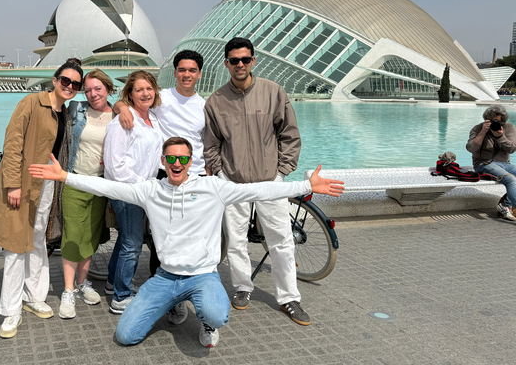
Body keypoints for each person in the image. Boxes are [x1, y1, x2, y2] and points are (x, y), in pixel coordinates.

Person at [29, 137, 343, 347]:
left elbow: (259, 190)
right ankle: (173, 302)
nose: (176, 163)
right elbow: (107, 186)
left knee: (217, 313)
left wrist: (304, 185)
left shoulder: (214, 188)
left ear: (189, 161)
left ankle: (207, 324)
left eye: (182, 158)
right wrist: (65, 177)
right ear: (164, 161)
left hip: (203, 275)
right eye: (171, 158)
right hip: (165, 277)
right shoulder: (150, 190)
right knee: (125, 336)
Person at [204, 37, 308, 325]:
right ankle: (242, 287)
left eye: (245, 59)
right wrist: (221, 173)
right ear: (226, 63)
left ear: (253, 60)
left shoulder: (273, 92)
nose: (240, 64)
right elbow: (211, 144)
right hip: (234, 182)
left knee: (282, 241)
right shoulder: (216, 100)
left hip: (269, 181)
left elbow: (290, 135)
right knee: (236, 240)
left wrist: (282, 172)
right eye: (234, 60)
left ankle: (289, 298)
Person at [0, 59, 83, 339]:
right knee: (15, 246)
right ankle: (10, 311)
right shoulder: (32, 103)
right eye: (65, 80)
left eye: (75, 84)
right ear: (55, 79)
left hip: (46, 186)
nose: (70, 86)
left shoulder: (65, 113)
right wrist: (12, 184)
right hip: (22, 185)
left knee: (37, 241)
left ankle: (34, 295)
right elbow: (12, 144)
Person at [115, 49, 206, 322]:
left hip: (197, 176)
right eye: (182, 70)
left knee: (194, 238)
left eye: (192, 70)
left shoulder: (205, 104)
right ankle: (167, 296)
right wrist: (120, 108)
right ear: (175, 72)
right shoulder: (161, 97)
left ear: (199, 74)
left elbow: (210, 141)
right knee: (162, 238)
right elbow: (128, 101)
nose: (187, 74)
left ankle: (194, 291)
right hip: (166, 175)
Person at [103, 70, 163, 314]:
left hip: (144, 190)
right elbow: (115, 164)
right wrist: (142, 186)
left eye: (149, 88)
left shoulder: (153, 119)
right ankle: (122, 296)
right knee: (132, 243)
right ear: (129, 93)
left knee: (127, 239)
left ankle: (112, 282)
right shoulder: (122, 121)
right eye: (139, 89)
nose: (145, 93)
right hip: (128, 191)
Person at [58, 69, 115, 319]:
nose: (92, 94)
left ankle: (83, 284)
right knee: (72, 235)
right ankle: (68, 291)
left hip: (100, 184)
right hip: (74, 180)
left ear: (108, 89)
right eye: (88, 89)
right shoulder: (76, 109)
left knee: (90, 236)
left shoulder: (118, 115)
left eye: (97, 89)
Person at [467, 105, 516, 221]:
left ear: (503, 121)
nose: (494, 124)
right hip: (484, 164)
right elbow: (471, 148)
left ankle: (505, 204)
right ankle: (507, 205)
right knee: (511, 179)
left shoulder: (509, 128)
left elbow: (512, 149)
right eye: (491, 121)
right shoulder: (477, 129)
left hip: (505, 164)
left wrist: (501, 137)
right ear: (485, 120)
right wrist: (483, 131)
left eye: (498, 121)